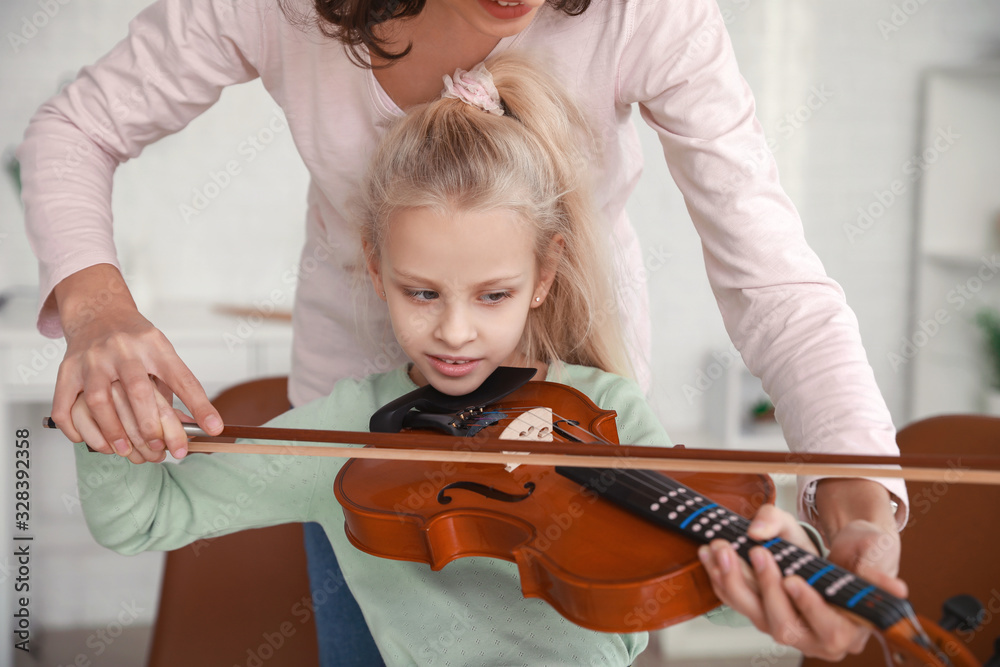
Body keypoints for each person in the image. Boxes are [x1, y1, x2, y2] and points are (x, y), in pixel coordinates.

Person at [18, 0, 907, 663]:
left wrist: (836, 526)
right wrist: (99, 337)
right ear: (377, 271)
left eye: (492, 292)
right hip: (376, 470)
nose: (453, 329)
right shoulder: (347, 442)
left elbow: (777, 287)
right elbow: (75, 126)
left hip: (576, 403)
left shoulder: (608, 414)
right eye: (419, 290)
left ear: (543, 274)